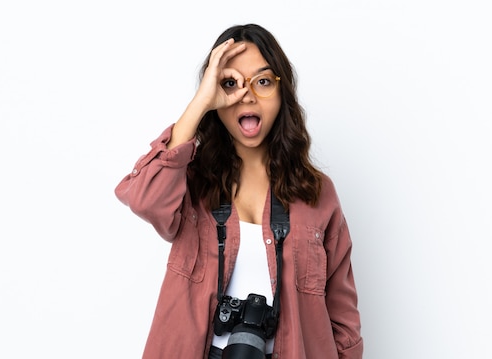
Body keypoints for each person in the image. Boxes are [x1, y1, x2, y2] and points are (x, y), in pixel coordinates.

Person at [115, 23, 363, 359]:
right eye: (230, 83)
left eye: (262, 81)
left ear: (281, 91)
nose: (246, 95)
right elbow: (144, 198)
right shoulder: (189, 180)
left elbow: (343, 320)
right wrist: (201, 101)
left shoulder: (317, 194)